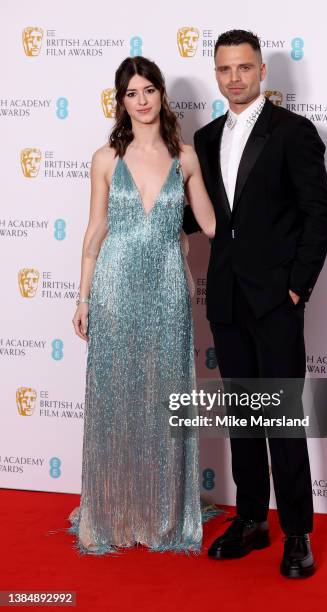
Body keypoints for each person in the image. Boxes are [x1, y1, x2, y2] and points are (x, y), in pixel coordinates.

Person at [191, 30, 327, 577]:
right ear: (217, 73)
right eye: (225, 69)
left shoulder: (293, 133)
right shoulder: (203, 139)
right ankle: (251, 520)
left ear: (261, 72)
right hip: (225, 300)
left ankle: (297, 532)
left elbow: (319, 213)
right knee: (244, 420)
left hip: (276, 301)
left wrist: (296, 286)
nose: (234, 78)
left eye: (244, 68)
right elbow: (202, 219)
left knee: (281, 419)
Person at [69, 56, 215, 555]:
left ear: (161, 94)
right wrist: (83, 296)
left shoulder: (187, 156)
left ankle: (162, 512)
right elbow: (94, 232)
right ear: (121, 101)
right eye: (132, 93)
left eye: (149, 89)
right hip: (114, 287)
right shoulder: (105, 158)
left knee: (165, 398)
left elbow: (212, 225)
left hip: (169, 291)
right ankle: (112, 510)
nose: (143, 100)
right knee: (116, 397)